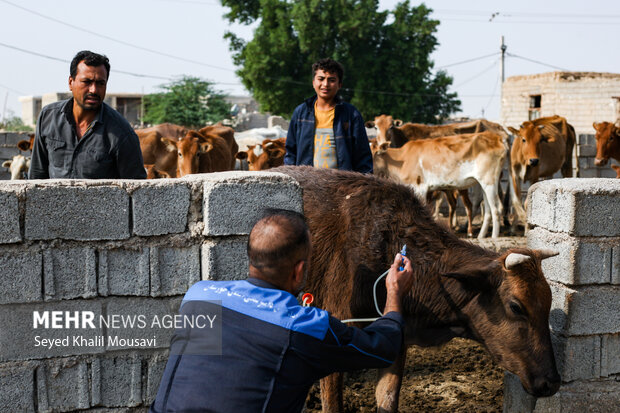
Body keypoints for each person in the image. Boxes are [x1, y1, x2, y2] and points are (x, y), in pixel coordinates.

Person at [150, 209, 413, 413]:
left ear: (251, 257)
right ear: (299, 271)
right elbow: (383, 347)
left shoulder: (199, 296)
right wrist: (394, 293)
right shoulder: (304, 327)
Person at [28, 50, 146, 179]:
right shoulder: (48, 117)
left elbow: (136, 188)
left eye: (100, 83)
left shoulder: (121, 132)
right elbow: (36, 175)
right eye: (87, 82)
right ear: (70, 82)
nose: (94, 90)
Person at [284, 58, 373, 173]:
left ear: (339, 84)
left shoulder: (351, 115)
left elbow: (363, 157)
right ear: (313, 82)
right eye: (321, 79)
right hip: (307, 183)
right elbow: (290, 153)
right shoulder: (301, 113)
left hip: (342, 186)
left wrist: (364, 186)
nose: (325, 84)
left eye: (331, 80)